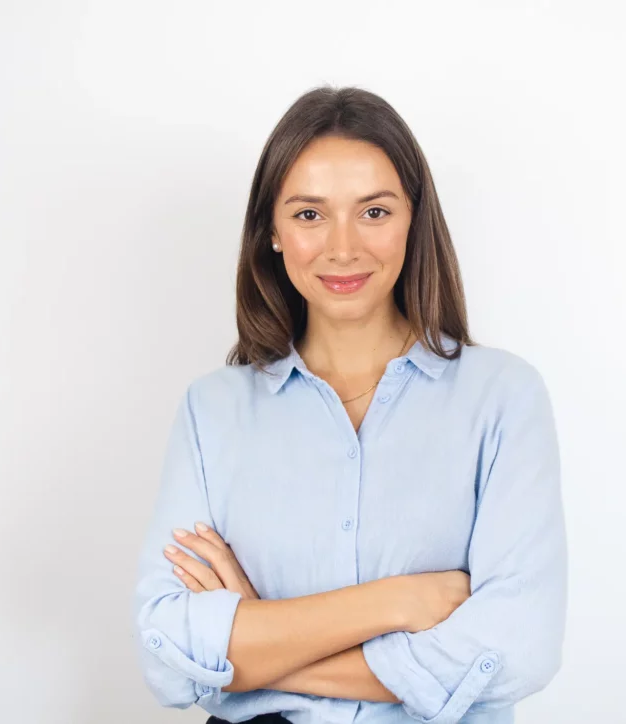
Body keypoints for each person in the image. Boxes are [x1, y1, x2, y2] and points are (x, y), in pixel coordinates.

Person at [132, 86, 567, 724]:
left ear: (414, 219)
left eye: (374, 211)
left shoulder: (504, 397)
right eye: (309, 214)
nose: (343, 248)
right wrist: (397, 602)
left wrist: (254, 649)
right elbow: (166, 656)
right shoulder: (211, 411)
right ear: (272, 231)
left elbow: (518, 650)